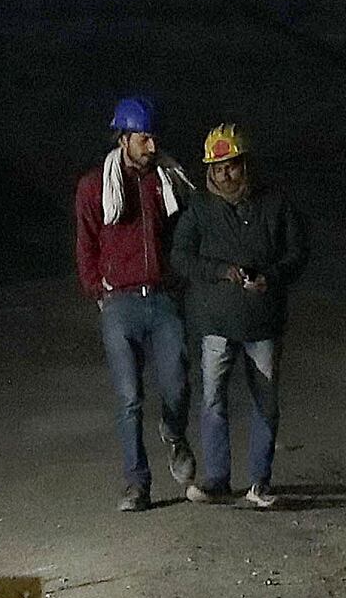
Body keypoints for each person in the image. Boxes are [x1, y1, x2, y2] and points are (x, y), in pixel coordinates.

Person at [166, 124, 309, 507]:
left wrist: (270, 277)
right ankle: (216, 479)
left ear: (245, 164)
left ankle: (260, 481)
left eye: (231, 166)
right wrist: (220, 271)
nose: (224, 175)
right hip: (214, 325)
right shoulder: (198, 209)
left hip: (263, 322)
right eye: (217, 168)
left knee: (265, 402)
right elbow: (180, 257)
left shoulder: (275, 202)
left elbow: (297, 252)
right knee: (213, 401)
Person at [71, 95, 193, 510]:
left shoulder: (167, 180)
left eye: (153, 137)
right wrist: (96, 289)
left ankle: (174, 433)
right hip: (120, 302)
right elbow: (86, 243)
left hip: (161, 298)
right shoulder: (95, 186)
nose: (152, 146)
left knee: (177, 382)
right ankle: (137, 483)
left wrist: (180, 278)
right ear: (123, 138)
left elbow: (184, 233)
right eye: (143, 138)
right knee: (129, 397)